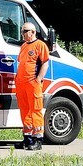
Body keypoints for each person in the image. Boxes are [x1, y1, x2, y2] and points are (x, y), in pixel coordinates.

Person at [16, 22, 50, 150]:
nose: (23, 34)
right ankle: (27, 138)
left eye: (25, 31)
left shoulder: (40, 45)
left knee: (35, 110)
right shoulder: (24, 45)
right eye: (22, 31)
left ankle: (38, 139)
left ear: (33, 32)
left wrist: (38, 79)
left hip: (33, 83)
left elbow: (45, 63)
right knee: (24, 110)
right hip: (21, 83)